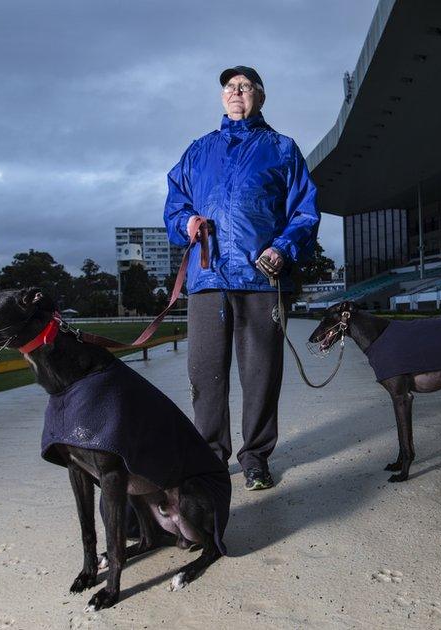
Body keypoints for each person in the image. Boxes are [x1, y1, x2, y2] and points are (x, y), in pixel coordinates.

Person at [164, 65, 320, 491]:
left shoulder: (283, 149)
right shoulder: (198, 151)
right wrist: (187, 223)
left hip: (260, 280)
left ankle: (255, 457)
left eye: (245, 87)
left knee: (261, 375)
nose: (236, 92)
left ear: (260, 97)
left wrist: (282, 248)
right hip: (207, 279)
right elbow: (174, 206)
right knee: (205, 375)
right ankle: (211, 458)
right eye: (230, 87)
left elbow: (304, 211)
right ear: (222, 98)